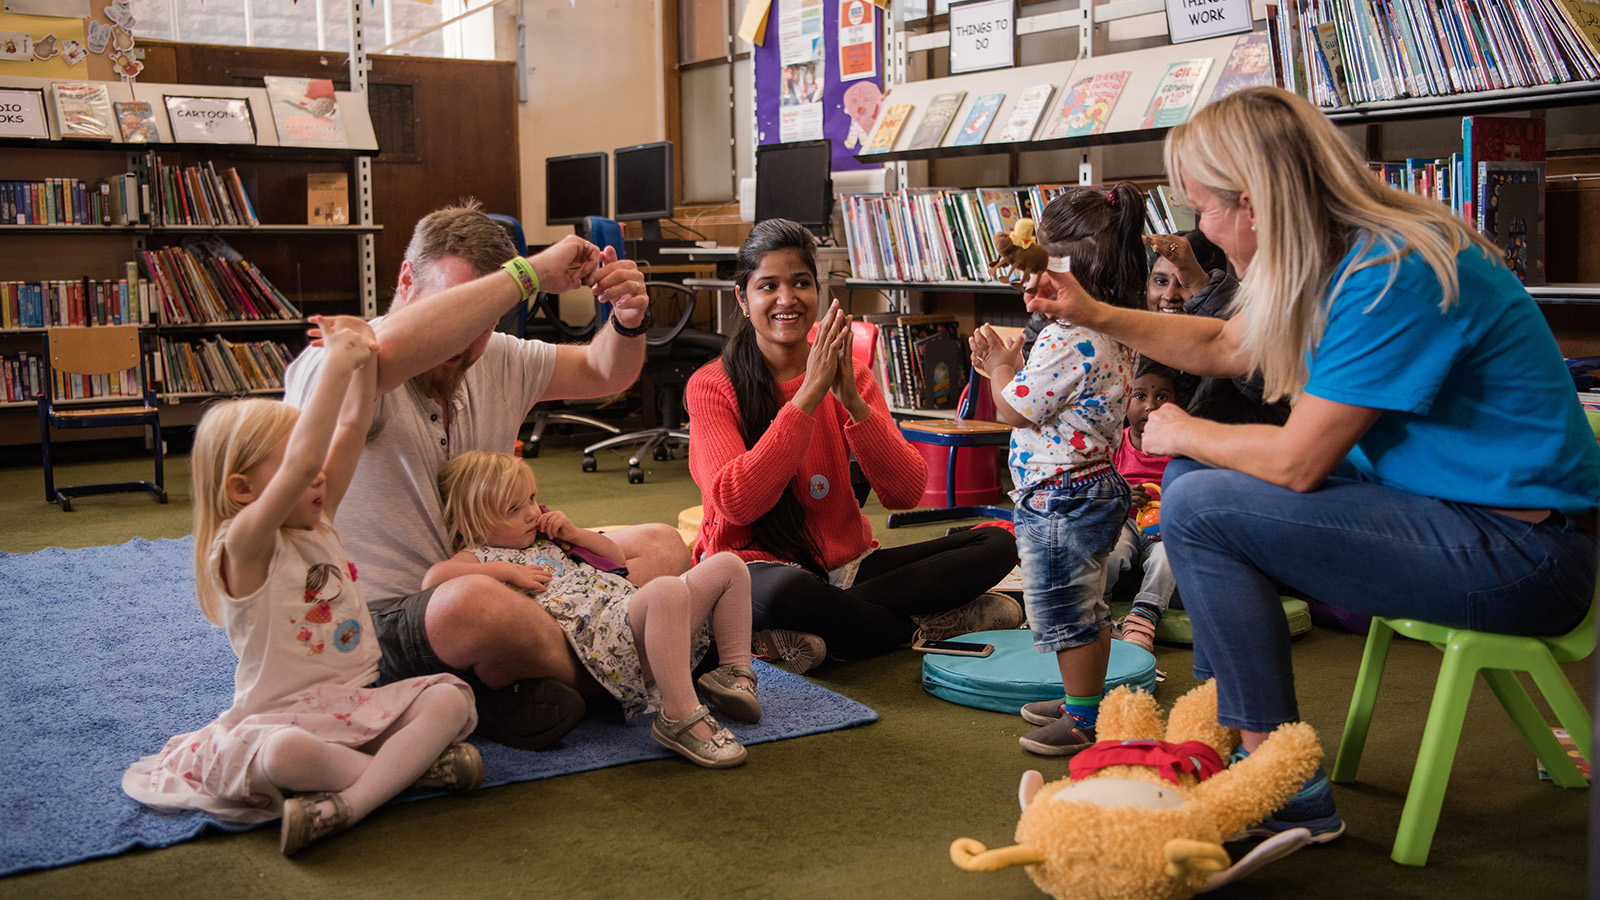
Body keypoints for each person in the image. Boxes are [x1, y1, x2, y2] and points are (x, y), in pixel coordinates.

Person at [1030, 86, 1599, 842]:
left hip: (1527, 557)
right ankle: (1235, 737)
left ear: (1257, 205)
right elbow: (1225, 348)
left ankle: (1282, 783)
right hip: (1458, 516)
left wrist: (1181, 430)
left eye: (1204, 209)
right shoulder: (1341, 251)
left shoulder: (1390, 272)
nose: (1199, 230)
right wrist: (1090, 311)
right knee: (1200, 489)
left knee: (1199, 498)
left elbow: (1299, 461)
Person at [283, 202, 691, 751]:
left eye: (485, 322)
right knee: (475, 607)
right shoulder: (343, 358)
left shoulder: (496, 356)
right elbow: (379, 361)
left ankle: (528, 678)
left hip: (508, 574)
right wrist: (528, 274)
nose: (465, 342)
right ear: (406, 281)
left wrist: (627, 316)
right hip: (388, 617)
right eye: (459, 310)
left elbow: (604, 370)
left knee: (663, 546)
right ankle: (636, 669)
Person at [123, 318, 481, 856]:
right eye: (297, 467)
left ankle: (351, 803)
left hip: (353, 704)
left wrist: (363, 367)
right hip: (282, 720)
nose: (317, 477)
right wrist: (335, 365)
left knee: (450, 698)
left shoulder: (320, 522)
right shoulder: (244, 545)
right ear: (242, 490)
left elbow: (353, 425)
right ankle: (406, 775)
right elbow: (306, 461)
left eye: (312, 470)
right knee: (284, 754)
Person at [685, 218, 1020, 674]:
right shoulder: (711, 386)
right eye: (769, 286)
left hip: (847, 567)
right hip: (754, 571)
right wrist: (807, 396)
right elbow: (736, 503)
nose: (787, 299)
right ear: (743, 299)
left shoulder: (851, 375)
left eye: (801, 283)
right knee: (790, 593)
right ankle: (922, 624)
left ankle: (828, 628)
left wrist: (851, 401)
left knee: (997, 544)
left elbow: (905, 493)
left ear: (817, 292)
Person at [429, 451, 759, 768]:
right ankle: (680, 716)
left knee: (727, 567)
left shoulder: (547, 537)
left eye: (531, 498)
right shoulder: (479, 556)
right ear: (468, 526)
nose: (531, 512)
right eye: (513, 509)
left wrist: (574, 534)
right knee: (668, 590)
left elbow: (616, 560)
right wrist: (505, 572)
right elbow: (434, 578)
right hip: (602, 649)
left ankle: (733, 673)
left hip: (634, 618)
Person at [968, 182, 1146, 758]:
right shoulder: (1112, 327)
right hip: (1091, 485)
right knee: (1089, 606)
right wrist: (1019, 362)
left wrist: (999, 365)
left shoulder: (1069, 340)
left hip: (1059, 497)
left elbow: (1012, 406)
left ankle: (1082, 721)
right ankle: (1083, 704)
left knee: (1066, 613)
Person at [1143, 230, 1290, 426]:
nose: (1169, 296)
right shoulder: (1135, 347)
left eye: (1184, 284)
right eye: (1161, 281)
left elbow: (1271, 390)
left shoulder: (1255, 339)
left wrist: (1201, 285)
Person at [1105, 358, 1193, 653]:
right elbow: (1100, 488)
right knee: (1109, 550)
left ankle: (1144, 617)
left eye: (1162, 397)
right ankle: (1096, 613)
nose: (1151, 405)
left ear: (1176, 404)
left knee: (1169, 556)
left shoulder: (1182, 447)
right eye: (1140, 396)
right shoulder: (1116, 443)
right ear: (1125, 399)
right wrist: (1122, 495)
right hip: (1125, 522)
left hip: (1165, 529)